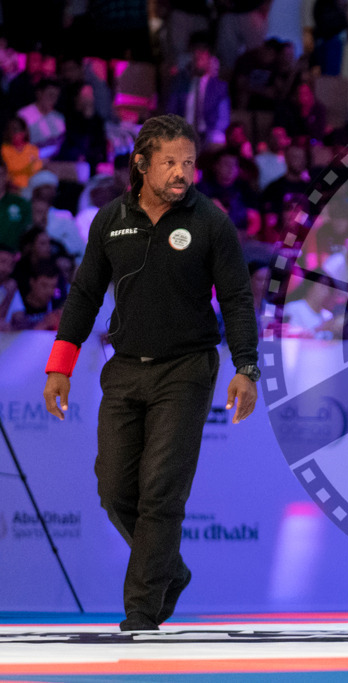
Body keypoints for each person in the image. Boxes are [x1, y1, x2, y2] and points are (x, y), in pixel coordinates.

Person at [41, 114, 260, 632]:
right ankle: (169, 568)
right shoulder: (109, 219)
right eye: (170, 163)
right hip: (123, 370)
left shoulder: (210, 221)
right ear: (140, 163)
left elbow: (236, 299)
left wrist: (245, 366)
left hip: (187, 370)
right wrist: (60, 367)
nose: (182, 173)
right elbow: (84, 295)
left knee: (161, 493)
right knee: (114, 489)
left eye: (188, 163)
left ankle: (141, 613)